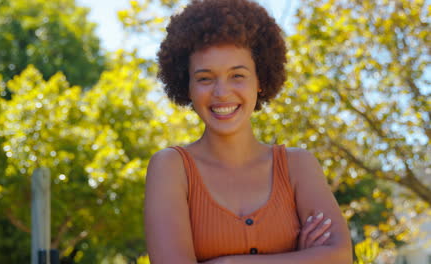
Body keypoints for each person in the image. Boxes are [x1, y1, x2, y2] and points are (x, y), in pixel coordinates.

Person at [144, 0, 352, 263]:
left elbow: (340, 256)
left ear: (260, 81)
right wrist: (302, 258)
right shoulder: (171, 168)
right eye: (205, 78)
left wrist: (229, 262)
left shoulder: (298, 166)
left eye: (237, 75)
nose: (221, 93)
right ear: (187, 87)